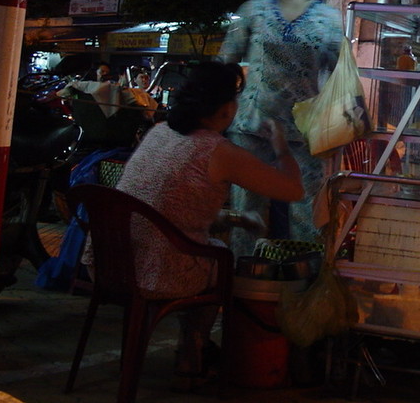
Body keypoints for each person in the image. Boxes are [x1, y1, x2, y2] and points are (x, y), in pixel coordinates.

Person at [110, 61, 304, 390]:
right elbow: (293, 190)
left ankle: (191, 351)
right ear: (227, 108)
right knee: (220, 260)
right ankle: (192, 355)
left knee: (211, 250)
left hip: (111, 262)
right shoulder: (217, 150)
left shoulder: (160, 133)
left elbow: (171, 206)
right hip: (155, 271)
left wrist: (234, 218)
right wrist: (281, 146)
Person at [218, 0, 343, 256]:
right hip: (251, 130)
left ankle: (304, 288)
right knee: (246, 215)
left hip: (304, 135)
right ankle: (241, 285)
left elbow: (343, 74)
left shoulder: (330, 19)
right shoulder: (252, 10)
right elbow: (224, 62)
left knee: (307, 218)